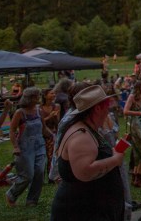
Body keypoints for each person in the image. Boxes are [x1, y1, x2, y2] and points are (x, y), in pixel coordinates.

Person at [50, 85, 127, 221]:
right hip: (82, 211)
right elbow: (84, 172)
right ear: (97, 108)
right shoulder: (81, 136)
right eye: (106, 104)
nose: (108, 108)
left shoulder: (87, 129)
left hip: (92, 208)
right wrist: (115, 160)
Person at [6, 87, 51, 207]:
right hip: (25, 147)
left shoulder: (38, 111)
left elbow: (44, 128)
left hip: (40, 145)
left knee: (40, 172)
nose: (38, 98)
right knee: (27, 175)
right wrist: (15, 146)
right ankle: (11, 194)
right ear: (30, 98)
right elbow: (12, 130)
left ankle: (32, 200)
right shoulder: (20, 113)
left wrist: (54, 137)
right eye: (36, 96)